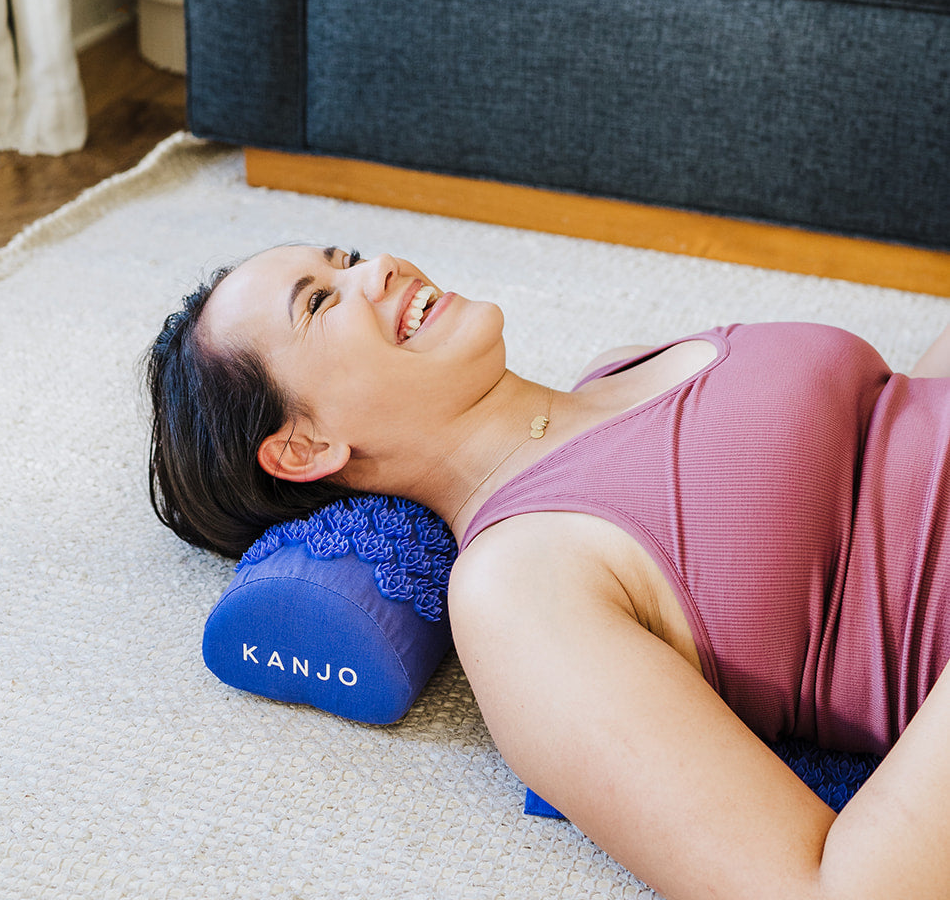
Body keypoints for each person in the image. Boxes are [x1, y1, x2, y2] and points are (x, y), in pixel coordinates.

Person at [145, 242, 950, 900]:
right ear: (304, 447)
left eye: (345, 257)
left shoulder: (622, 366)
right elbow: (828, 889)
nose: (378, 267)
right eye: (320, 302)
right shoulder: (515, 587)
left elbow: (906, 424)